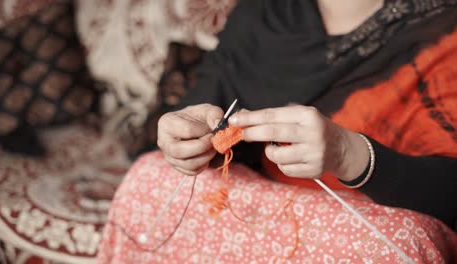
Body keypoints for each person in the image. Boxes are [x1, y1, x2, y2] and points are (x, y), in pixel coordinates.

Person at [98, 0, 457, 263]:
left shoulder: (445, 29)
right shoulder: (262, 11)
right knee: (151, 175)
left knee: (407, 243)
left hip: (367, 231)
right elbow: (206, 102)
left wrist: (349, 155)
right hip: (252, 216)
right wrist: (184, 135)